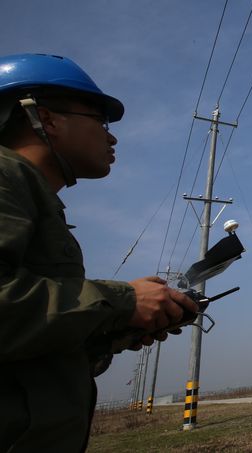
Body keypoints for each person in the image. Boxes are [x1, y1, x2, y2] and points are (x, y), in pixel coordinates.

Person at [0, 53, 198, 452]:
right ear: (46, 118)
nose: (112, 137)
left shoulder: (37, 198)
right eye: (100, 121)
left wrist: (111, 330)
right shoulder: (5, 177)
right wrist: (122, 301)